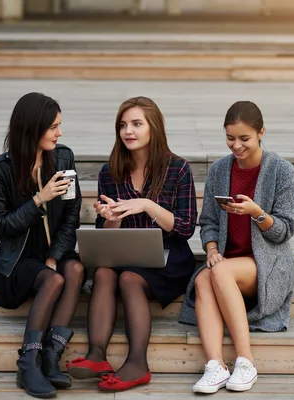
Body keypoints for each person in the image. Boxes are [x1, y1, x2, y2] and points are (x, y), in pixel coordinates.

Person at [66, 96, 197, 392]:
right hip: (127, 252)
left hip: (168, 257)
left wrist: (148, 205)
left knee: (128, 278)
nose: (129, 131)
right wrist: (112, 217)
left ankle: (137, 362)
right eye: (123, 125)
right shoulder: (109, 172)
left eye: (137, 124)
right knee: (102, 272)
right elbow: (107, 234)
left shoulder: (178, 169)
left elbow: (186, 227)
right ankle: (97, 355)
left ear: (154, 129)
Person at [179, 101, 294, 394]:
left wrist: (257, 213)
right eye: (230, 137)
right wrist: (211, 250)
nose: (236, 145)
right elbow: (208, 221)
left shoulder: (281, 171)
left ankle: (246, 361)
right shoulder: (221, 169)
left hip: (270, 265)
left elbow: (284, 232)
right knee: (204, 278)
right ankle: (215, 366)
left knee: (218, 273)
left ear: (261, 133)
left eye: (244, 138)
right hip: (228, 264)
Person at [0, 92, 86, 398]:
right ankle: (27, 363)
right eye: (53, 127)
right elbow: (0, 227)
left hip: (53, 254)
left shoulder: (63, 158)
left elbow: (71, 216)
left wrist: (55, 255)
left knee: (75, 269)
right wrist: (40, 199)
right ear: (31, 129)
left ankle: (50, 355)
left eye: (59, 126)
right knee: (53, 279)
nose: (59, 133)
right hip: (17, 262)